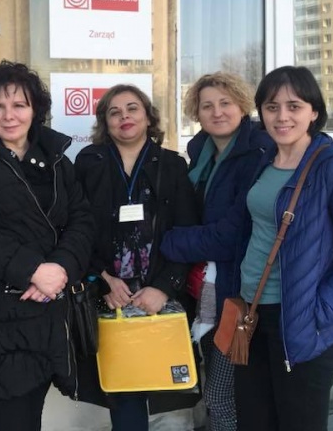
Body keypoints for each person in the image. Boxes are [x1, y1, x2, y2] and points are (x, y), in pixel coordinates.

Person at [0, 61, 95, 431]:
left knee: (32, 419)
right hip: (0, 313)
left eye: (19, 105)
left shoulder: (57, 160)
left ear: (35, 110)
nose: (9, 115)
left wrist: (59, 269)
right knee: (10, 422)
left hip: (50, 310)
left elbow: (82, 221)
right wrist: (34, 270)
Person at [234, 65, 333, 430]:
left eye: (294, 106)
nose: (282, 116)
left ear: (314, 112)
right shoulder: (265, 161)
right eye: (271, 107)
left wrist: (318, 311)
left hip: (301, 323)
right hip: (252, 313)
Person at [74, 84, 199, 430]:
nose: (124, 117)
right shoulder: (89, 163)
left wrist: (164, 288)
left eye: (132, 109)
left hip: (158, 298)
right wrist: (102, 280)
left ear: (147, 116)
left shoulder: (172, 165)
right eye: (114, 112)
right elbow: (75, 230)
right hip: (109, 297)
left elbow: (186, 233)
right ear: (105, 122)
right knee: (123, 389)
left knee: (162, 384)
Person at [160, 72, 270, 431]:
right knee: (219, 390)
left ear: (242, 105)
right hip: (206, 290)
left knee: (221, 396)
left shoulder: (257, 153)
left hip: (238, 292)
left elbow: (232, 236)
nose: (217, 112)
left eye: (225, 103)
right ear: (197, 112)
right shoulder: (201, 154)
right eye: (207, 105)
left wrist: (168, 241)